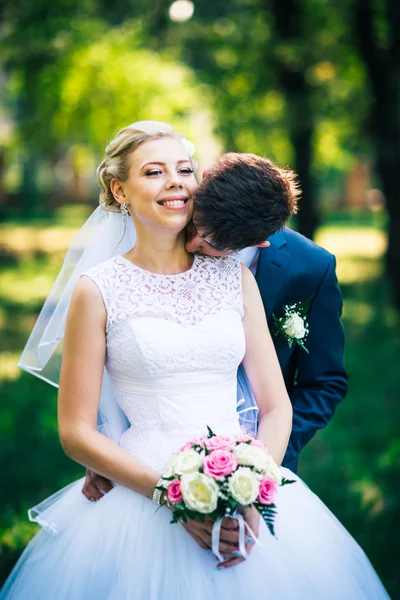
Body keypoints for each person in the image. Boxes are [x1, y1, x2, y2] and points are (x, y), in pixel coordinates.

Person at [1, 121, 388, 599]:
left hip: (244, 480)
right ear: (119, 189)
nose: (175, 181)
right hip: (142, 493)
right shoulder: (97, 290)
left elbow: (276, 405)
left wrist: (249, 492)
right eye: (154, 171)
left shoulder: (234, 278)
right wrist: (176, 494)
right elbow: (75, 430)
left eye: (184, 169)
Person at [82, 150, 347, 503]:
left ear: (257, 243)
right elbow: (134, 345)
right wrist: (109, 445)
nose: (193, 243)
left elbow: (324, 382)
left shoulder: (311, 267)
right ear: (203, 183)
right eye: (197, 228)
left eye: (213, 244)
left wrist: (256, 462)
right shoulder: (164, 231)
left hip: (261, 458)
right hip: (151, 458)